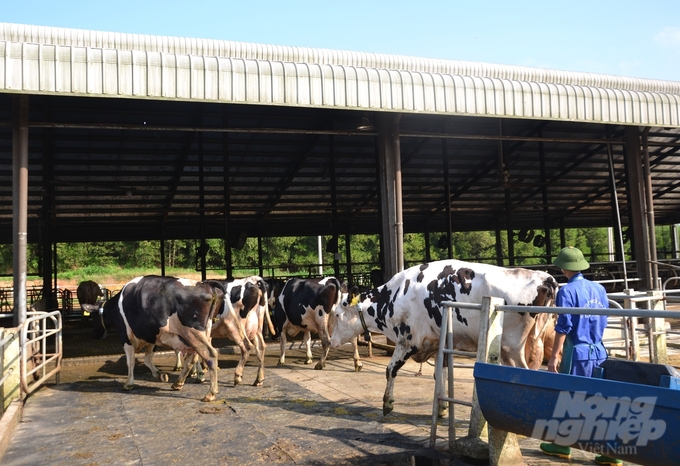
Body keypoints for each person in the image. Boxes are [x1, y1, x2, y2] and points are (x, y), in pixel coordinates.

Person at [539, 246, 622, 466]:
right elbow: (603, 318)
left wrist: (555, 355)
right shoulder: (599, 289)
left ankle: (562, 444)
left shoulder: (567, 292)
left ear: (564, 268)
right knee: (600, 399)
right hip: (599, 349)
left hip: (577, 352)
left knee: (571, 397)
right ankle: (610, 452)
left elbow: (563, 326)